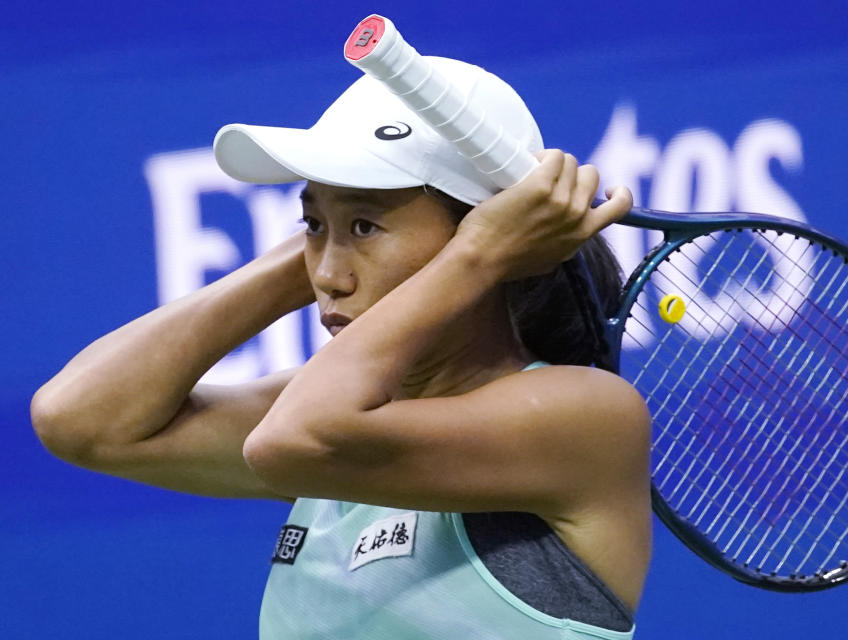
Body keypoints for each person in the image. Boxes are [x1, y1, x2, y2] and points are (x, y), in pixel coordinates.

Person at [31, 56, 651, 639]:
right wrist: (322, 242)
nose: (328, 274)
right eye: (311, 225)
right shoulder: (330, 420)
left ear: (497, 235)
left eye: (366, 225)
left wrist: (479, 257)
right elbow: (79, 419)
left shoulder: (587, 417)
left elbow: (291, 441)